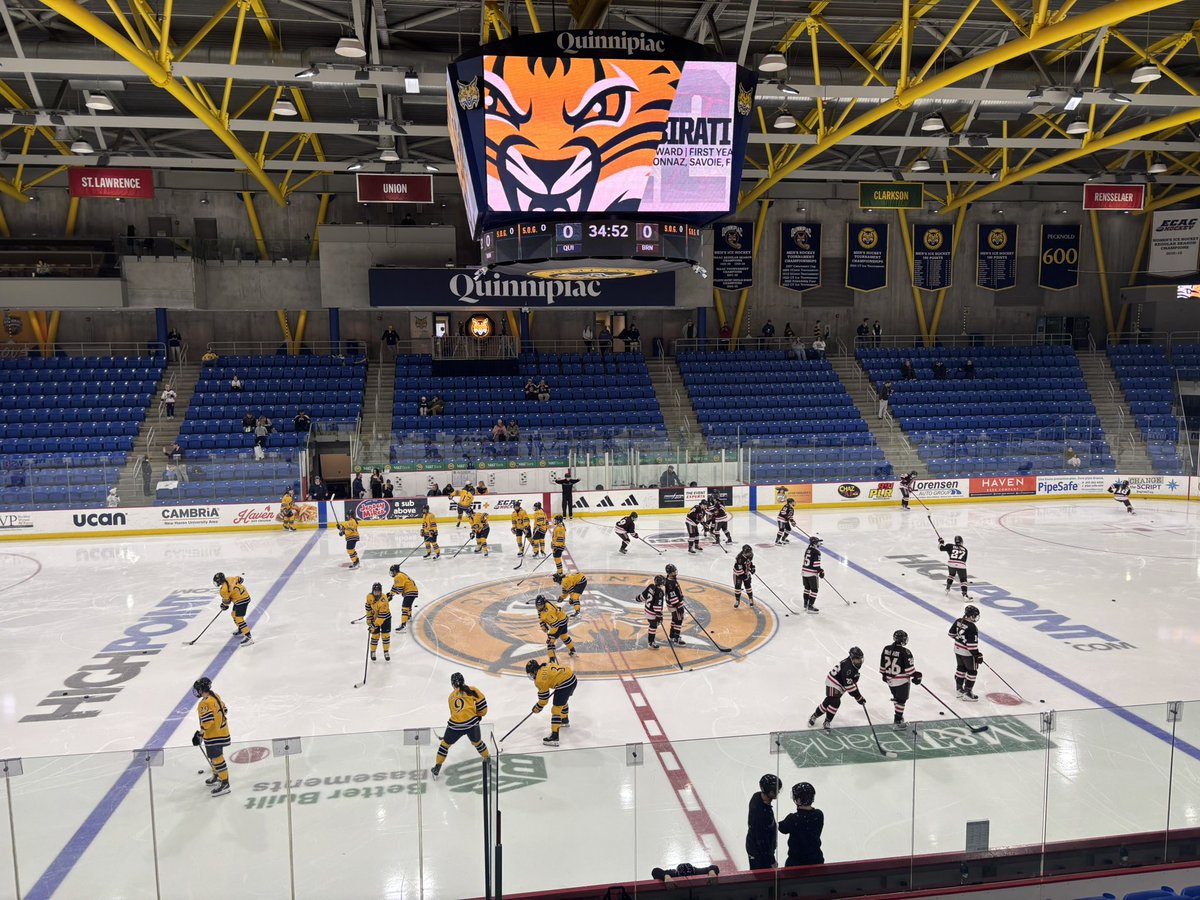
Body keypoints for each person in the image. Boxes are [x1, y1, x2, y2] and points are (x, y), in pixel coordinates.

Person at [430, 673, 490, 778]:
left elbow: (454, 714)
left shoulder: (451, 697)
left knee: (444, 745)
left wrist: (451, 731)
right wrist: (478, 716)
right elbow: (483, 707)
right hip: (472, 724)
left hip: (455, 727)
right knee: (477, 743)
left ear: (452, 684)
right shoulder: (472, 690)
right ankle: (487, 758)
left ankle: (437, 766)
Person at [807, 647, 865, 731]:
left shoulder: (852, 665)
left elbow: (851, 683)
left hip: (839, 684)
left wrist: (858, 694)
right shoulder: (848, 668)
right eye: (857, 659)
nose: (859, 662)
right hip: (833, 682)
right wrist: (859, 697)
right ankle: (827, 721)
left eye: (860, 659)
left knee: (828, 702)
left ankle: (815, 716)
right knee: (836, 701)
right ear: (852, 658)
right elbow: (849, 686)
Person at [191, 677, 232, 796]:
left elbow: (208, 721)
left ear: (201, 689)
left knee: (217, 758)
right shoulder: (215, 696)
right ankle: (217, 774)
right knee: (214, 757)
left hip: (214, 735)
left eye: (198, 689)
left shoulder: (205, 703)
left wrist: (200, 733)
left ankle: (225, 783)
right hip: (222, 732)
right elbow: (225, 709)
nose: (197, 691)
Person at [526, 657, 577, 746]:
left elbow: (544, 699)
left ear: (534, 671)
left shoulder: (539, 680)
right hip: (572, 679)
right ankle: (564, 720)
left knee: (556, 709)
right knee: (562, 701)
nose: (531, 676)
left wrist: (537, 708)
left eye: (530, 673)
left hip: (565, 684)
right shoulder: (545, 665)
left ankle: (554, 737)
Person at [880, 630, 921, 729]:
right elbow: (910, 670)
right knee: (901, 700)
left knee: (896, 698)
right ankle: (897, 721)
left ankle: (899, 716)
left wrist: (885, 675)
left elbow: (882, 667)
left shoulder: (886, 648)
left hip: (890, 680)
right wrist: (917, 675)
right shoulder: (905, 651)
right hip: (901, 680)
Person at [778, 783, 824, 866]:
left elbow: (782, 828)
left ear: (798, 800)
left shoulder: (793, 819)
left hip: (797, 862)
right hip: (816, 859)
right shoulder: (819, 814)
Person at [747, 774, 782, 870]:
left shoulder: (757, 796)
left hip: (757, 849)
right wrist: (771, 860)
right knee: (762, 878)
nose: (778, 792)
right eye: (776, 790)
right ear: (770, 792)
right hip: (759, 854)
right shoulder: (761, 814)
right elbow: (762, 841)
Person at [949, 604, 982, 701]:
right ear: (971, 615)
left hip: (957, 650)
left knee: (961, 668)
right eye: (975, 615)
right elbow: (971, 646)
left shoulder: (959, 621)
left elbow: (951, 634)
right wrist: (977, 655)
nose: (975, 617)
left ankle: (959, 690)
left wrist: (961, 640)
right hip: (967, 653)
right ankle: (967, 693)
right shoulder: (972, 627)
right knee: (972, 671)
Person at [214, 572, 253, 646]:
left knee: (239, 618)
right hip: (244, 597)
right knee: (233, 614)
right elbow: (241, 579)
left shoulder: (223, 590)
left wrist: (224, 605)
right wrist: (235, 591)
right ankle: (241, 630)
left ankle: (249, 637)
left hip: (241, 601)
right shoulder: (230, 578)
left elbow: (227, 602)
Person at [534, 594, 576, 661]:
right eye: (537, 606)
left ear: (544, 604)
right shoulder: (543, 606)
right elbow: (540, 614)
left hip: (559, 623)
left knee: (551, 642)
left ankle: (552, 660)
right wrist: (542, 624)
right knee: (564, 637)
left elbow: (556, 625)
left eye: (540, 606)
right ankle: (572, 650)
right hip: (563, 618)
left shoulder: (549, 612)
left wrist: (550, 636)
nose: (539, 608)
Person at [364, 581, 391, 662]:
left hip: (385, 618)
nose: (377, 593)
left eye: (378, 591)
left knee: (385, 636)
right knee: (375, 635)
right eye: (375, 591)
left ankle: (386, 651)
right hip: (375, 618)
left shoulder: (384, 599)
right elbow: (368, 608)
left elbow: (382, 616)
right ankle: (373, 651)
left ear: (381, 591)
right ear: (372, 591)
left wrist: (374, 625)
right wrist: (369, 619)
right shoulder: (369, 597)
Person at [389, 564, 420, 631]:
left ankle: (403, 625)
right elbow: (395, 586)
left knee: (405, 608)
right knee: (408, 606)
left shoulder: (398, 576)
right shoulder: (400, 574)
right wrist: (390, 593)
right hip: (413, 591)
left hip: (410, 592)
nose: (391, 573)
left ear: (395, 571)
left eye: (392, 571)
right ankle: (409, 617)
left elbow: (399, 590)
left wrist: (391, 595)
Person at [641, 574, 667, 649]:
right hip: (652, 613)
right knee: (653, 626)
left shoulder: (651, 586)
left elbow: (642, 596)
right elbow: (657, 607)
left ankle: (651, 642)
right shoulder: (660, 592)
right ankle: (651, 643)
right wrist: (659, 617)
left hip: (647, 610)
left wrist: (637, 598)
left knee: (652, 625)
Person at [664, 563, 686, 645]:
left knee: (675, 619)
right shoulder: (670, 583)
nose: (675, 572)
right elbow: (672, 596)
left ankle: (672, 635)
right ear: (669, 573)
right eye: (673, 571)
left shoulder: (671, 580)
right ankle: (677, 638)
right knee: (679, 620)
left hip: (673, 604)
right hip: (675, 605)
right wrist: (679, 606)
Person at [802, 535, 824, 613]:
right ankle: (810, 606)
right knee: (814, 590)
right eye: (818, 542)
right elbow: (816, 565)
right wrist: (821, 571)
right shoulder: (817, 552)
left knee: (807, 588)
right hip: (811, 574)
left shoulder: (807, 549)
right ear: (814, 543)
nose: (819, 544)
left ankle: (805, 604)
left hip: (804, 572)